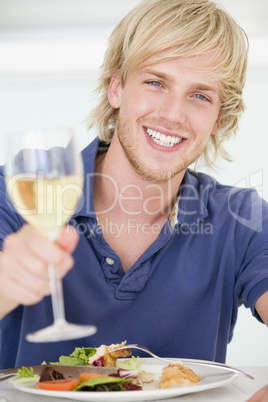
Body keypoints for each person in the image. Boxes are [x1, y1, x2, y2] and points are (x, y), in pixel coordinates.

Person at [0, 0, 267, 399]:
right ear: (116, 87)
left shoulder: (240, 220)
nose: (172, 114)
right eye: (155, 82)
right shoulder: (21, 193)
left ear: (219, 121)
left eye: (200, 96)